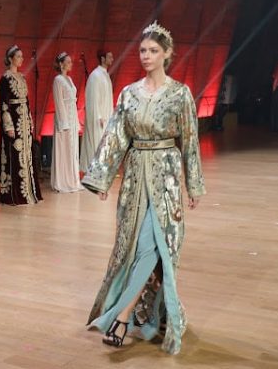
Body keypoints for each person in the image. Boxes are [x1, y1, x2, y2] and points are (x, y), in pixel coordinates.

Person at [81, 21, 206, 355]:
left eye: (153, 50)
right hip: (135, 179)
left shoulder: (180, 94)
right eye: (142, 50)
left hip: (166, 179)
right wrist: (103, 177)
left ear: (167, 53)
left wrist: (193, 184)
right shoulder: (129, 94)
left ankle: (121, 318)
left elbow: (190, 140)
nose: (146, 56)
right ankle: (145, 313)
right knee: (135, 247)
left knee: (153, 245)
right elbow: (115, 136)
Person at [0, 45, 42, 205]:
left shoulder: (22, 77)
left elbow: (27, 101)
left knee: (27, 155)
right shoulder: (5, 78)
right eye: (18, 56)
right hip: (14, 120)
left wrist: (29, 120)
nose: (21, 59)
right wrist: (8, 125)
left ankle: (30, 190)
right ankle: (15, 193)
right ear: (10, 59)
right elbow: (3, 103)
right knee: (15, 155)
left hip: (24, 121)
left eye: (22, 56)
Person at [50, 52, 83, 192]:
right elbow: (59, 102)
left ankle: (73, 180)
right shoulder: (58, 80)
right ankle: (63, 181)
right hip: (64, 120)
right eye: (68, 62)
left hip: (72, 116)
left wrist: (76, 120)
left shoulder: (69, 79)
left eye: (71, 61)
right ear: (61, 64)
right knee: (65, 149)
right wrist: (64, 123)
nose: (71, 64)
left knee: (72, 149)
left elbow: (72, 101)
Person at [79, 49, 114, 174]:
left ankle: (101, 169)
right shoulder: (95, 75)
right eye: (109, 57)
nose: (112, 59)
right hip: (99, 119)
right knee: (96, 143)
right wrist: (98, 116)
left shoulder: (105, 75)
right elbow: (93, 98)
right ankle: (92, 170)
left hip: (106, 116)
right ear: (103, 59)